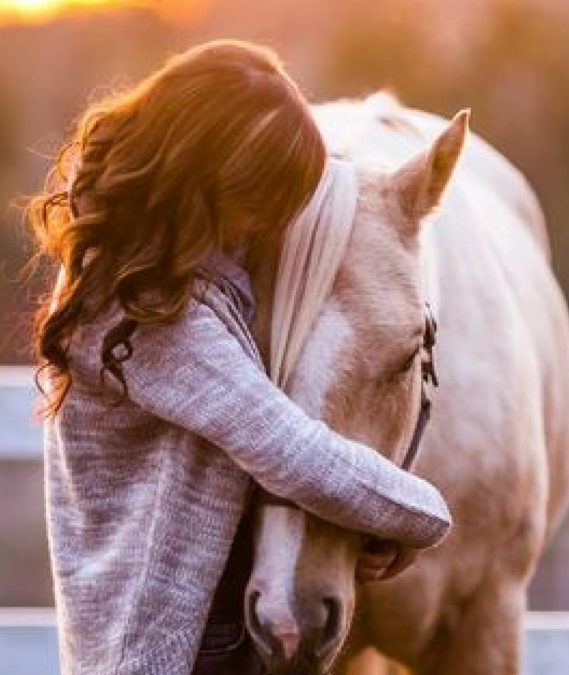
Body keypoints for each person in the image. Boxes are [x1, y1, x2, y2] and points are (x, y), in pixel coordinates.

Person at [23, 39, 453, 675]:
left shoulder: (168, 268)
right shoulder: (146, 312)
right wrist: (419, 515)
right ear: (211, 176)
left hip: (204, 636)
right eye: (264, 200)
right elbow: (287, 448)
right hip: (172, 656)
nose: (267, 225)